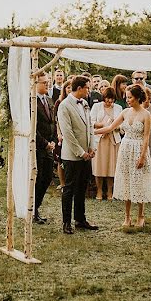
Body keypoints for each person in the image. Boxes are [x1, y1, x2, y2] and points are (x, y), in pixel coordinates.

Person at [94, 84, 151, 229]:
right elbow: (110, 128)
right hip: (125, 148)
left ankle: (141, 215)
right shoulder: (125, 112)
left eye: (130, 97)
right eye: (126, 97)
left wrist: (142, 157)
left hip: (139, 147)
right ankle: (127, 217)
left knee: (138, 181)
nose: (127, 100)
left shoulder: (146, 115)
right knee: (127, 181)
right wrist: (91, 133)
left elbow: (146, 137)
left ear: (138, 97)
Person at [57, 76, 98, 234]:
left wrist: (91, 147)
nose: (89, 90)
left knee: (82, 188)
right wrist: (80, 152)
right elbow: (67, 133)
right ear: (79, 88)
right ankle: (66, 222)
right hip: (72, 155)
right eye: (87, 88)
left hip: (86, 154)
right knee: (69, 189)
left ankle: (80, 219)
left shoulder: (86, 103)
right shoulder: (64, 106)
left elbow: (90, 127)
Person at [90, 87, 122, 201]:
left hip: (113, 140)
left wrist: (114, 126)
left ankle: (110, 192)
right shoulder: (96, 106)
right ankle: (99, 191)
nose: (109, 102)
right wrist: (102, 125)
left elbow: (122, 124)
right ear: (104, 98)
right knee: (99, 166)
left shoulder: (118, 108)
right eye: (107, 99)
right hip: (100, 140)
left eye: (112, 100)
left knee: (111, 166)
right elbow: (91, 122)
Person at [33, 73, 56, 224]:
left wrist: (53, 141)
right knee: (38, 178)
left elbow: (52, 123)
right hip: (37, 146)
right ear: (36, 83)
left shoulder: (49, 99)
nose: (47, 85)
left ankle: (37, 206)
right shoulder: (31, 102)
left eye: (48, 82)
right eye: (44, 83)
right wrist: (45, 143)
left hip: (49, 145)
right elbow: (33, 127)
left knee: (47, 178)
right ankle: (33, 210)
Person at [52, 80, 73, 191]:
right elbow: (56, 120)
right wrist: (59, 133)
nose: (69, 89)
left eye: (71, 87)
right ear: (64, 89)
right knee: (60, 159)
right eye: (67, 87)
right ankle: (62, 182)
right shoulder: (59, 102)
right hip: (61, 133)